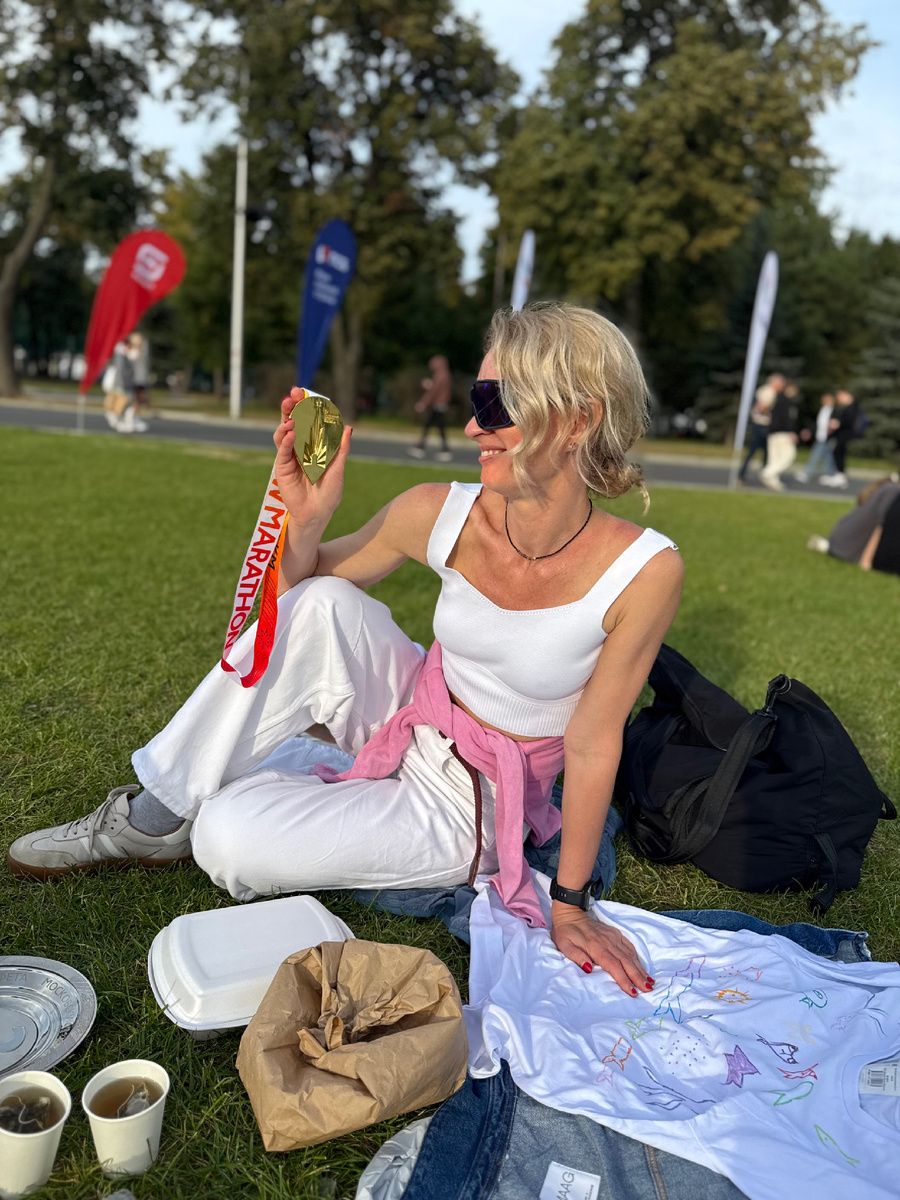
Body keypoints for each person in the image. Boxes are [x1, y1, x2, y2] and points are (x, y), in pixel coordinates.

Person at [9, 303, 683, 994]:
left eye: (496, 403)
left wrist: (568, 906)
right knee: (324, 602)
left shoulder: (644, 572)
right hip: (415, 712)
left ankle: (210, 790)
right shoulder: (441, 511)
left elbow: (594, 744)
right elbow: (293, 602)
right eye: (474, 399)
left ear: (578, 420)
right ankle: (153, 817)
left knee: (224, 839)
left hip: (474, 802)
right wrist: (308, 521)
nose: (471, 426)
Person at [807, 475, 900, 574]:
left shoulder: (886, 488)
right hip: (848, 549)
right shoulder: (893, 491)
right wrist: (866, 562)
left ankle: (826, 545)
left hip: (838, 538)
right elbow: (881, 526)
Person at [737, 373, 782, 482]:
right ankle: (744, 474)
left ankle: (763, 474)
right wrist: (774, 411)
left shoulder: (764, 390)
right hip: (762, 424)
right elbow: (761, 407)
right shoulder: (768, 392)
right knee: (756, 451)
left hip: (761, 424)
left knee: (764, 452)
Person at [409, 354, 453, 462]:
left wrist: (423, 403)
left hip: (438, 404)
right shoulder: (444, 374)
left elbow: (433, 391)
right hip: (439, 404)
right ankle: (423, 447)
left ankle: (441, 450)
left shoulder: (441, 375)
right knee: (433, 426)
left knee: (434, 426)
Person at [759, 378, 799, 491]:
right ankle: (767, 473)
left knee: (774, 457)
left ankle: (773, 481)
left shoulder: (777, 399)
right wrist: (790, 431)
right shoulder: (786, 401)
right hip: (782, 432)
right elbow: (786, 418)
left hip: (772, 431)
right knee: (789, 455)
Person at [794, 392, 837, 483]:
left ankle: (807, 473)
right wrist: (809, 431)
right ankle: (831, 474)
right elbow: (817, 424)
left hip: (827, 437)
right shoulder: (822, 410)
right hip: (820, 436)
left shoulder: (835, 412)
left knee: (815, 454)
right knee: (828, 457)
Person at [821, 388, 859, 489]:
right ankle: (838, 475)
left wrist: (838, 423)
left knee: (839, 453)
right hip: (841, 435)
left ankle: (840, 476)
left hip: (846, 435)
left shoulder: (853, 407)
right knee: (836, 453)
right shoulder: (845, 407)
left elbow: (849, 422)